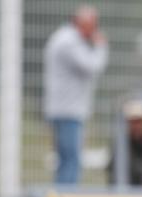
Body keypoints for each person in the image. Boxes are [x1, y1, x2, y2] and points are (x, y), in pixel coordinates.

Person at [43, 5, 108, 185]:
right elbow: (92, 66)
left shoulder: (65, 38)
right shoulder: (69, 42)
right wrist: (101, 46)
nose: (94, 30)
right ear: (83, 23)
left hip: (63, 109)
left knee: (65, 160)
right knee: (71, 161)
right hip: (68, 111)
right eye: (93, 25)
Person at [107, 99, 142, 186]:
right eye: (134, 121)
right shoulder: (119, 145)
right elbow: (113, 174)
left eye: (140, 121)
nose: (137, 125)